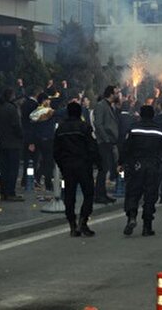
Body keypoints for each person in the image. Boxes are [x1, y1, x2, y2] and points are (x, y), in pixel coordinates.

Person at [120, 105, 162, 236]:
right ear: (153, 115)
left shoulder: (133, 128)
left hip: (136, 165)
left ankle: (131, 216)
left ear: (140, 115)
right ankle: (147, 226)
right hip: (153, 165)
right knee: (150, 195)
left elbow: (126, 147)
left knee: (133, 192)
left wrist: (121, 162)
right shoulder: (158, 130)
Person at [54, 101, 101, 237]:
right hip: (83, 165)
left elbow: (56, 150)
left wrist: (62, 165)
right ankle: (83, 220)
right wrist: (97, 162)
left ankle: (72, 225)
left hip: (67, 166)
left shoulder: (61, 129)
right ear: (80, 113)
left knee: (70, 195)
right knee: (88, 194)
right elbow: (92, 146)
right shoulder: (84, 127)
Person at [0, 87, 24, 201]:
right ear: (11, 96)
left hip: (1, 142)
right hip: (13, 143)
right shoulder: (12, 108)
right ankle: (11, 192)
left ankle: (3, 191)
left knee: (3, 168)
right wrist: (21, 135)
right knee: (13, 169)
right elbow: (16, 125)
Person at [93, 85, 120, 204]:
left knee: (106, 168)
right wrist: (105, 139)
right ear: (110, 94)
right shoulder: (101, 106)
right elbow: (98, 124)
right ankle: (99, 195)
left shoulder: (110, 106)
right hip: (104, 142)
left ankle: (103, 194)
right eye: (116, 93)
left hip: (110, 141)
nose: (117, 95)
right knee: (103, 169)